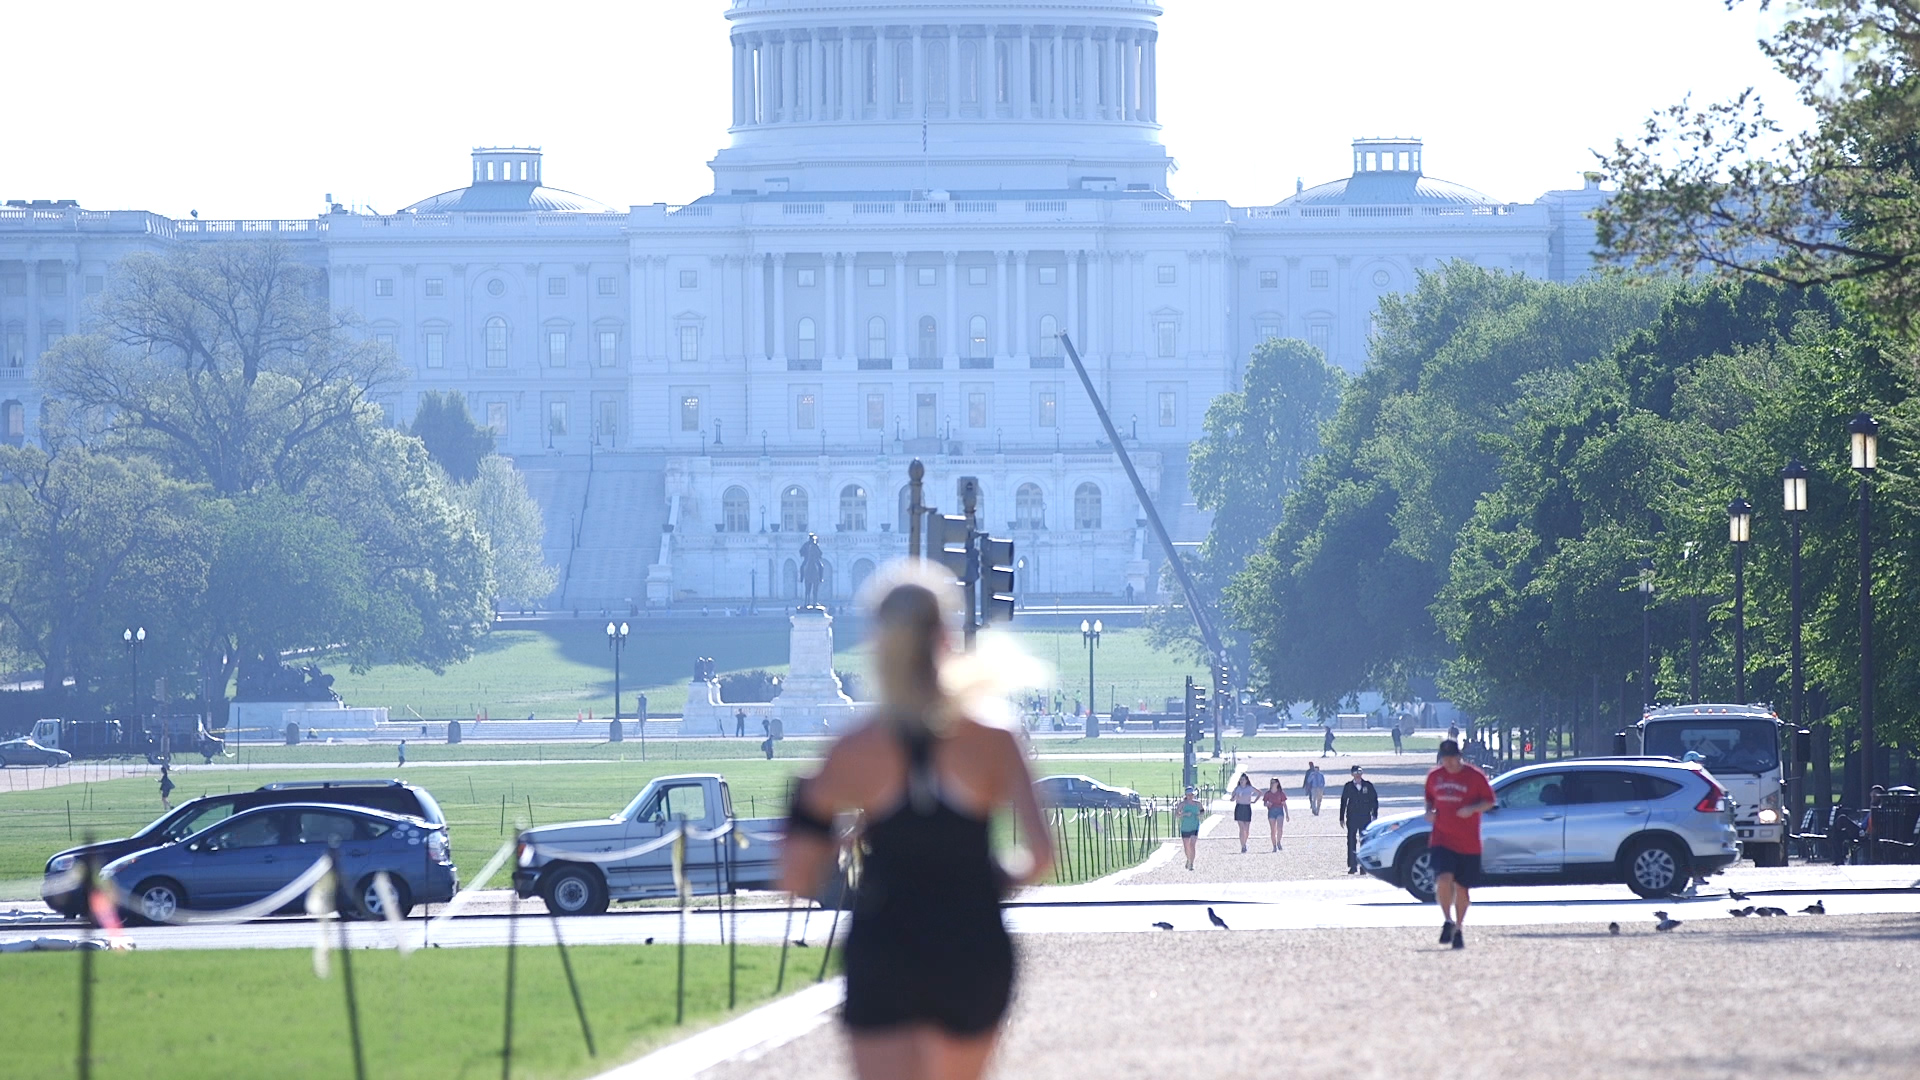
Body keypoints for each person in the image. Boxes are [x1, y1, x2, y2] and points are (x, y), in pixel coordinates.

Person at [779, 566, 1053, 1080]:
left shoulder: (853, 749)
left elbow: (795, 873)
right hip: (971, 940)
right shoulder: (995, 736)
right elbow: (1040, 857)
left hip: (887, 942)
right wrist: (985, 880)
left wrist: (845, 838)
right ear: (946, 635)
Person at [1426, 739, 1496, 950]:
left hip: (1468, 843)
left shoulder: (1474, 777)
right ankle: (1447, 920)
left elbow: (1489, 801)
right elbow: (1430, 799)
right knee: (1444, 878)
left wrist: (1472, 809)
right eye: (1444, 759)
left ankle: (1459, 928)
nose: (1448, 763)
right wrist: (1429, 811)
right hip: (1442, 838)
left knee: (1462, 889)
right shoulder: (1435, 777)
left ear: (1459, 757)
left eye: (1451, 759)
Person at [1339, 765, 1379, 874]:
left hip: (1365, 817)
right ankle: (1352, 865)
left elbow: (1374, 800)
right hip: (1352, 817)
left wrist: (1374, 814)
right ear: (1352, 774)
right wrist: (1341, 817)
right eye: (1356, 772)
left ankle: (1364, 866)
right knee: (1351, 841)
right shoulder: (1348, 786)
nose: (1358, 774)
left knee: (1365, 841)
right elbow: (1343, 802)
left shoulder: (1368, 785)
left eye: (1359, 772)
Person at [1175, 787, 1205, 871]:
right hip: (1185, 826)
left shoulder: (1197, 804)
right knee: (1186, 846)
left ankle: (1191, 862)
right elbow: (1177, 814)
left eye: (1191, 795)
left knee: (1192, 845)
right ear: (1186, 795)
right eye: (1188, 795)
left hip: (1194, 825)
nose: (1190, 797)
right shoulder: (1182, 804)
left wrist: (1199, 815)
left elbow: (1202, 811)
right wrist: (1184, 814)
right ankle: (1188, 859)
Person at [1230, 773, 1259, 854]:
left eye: (1243, 780)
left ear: (1246, 780)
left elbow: (1259, 792)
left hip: (1247, 807)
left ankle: (1245, 842)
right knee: (1242, 828)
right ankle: (1242, 845)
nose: (1242, 781)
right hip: (1239, 807)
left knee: (1247, 829)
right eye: (1241, 780)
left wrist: (1254, 801)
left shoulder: (1250, 788)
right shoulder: (1237, 789)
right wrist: (1235, 797)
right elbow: (1232, 799)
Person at [1262, 778, 1290, 852]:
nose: (1273, 783)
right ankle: (1274, 845)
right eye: (1272, 782)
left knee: (1279, 828)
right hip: (1271, 811)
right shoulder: (1268, 793)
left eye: (1274, 782)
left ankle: (1278, 842)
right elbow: (1264, 803)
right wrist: (1267, 804)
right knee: (1273, 830)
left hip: (1279, 811)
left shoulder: (1280, 793)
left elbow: (1284, 804)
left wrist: (1287, 814)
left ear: (1277, 783)